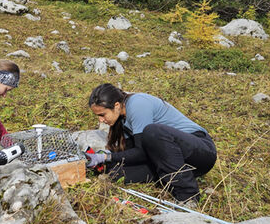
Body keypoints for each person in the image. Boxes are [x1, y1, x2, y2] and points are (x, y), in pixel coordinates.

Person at [85, 83, 217, 204]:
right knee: (115, 173)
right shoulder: (122, 119)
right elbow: (133, 151)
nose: (101, 120)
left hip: (201, 152)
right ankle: (171, 178)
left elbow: (141, 151)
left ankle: (188, 197)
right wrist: (105, 158)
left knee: (152, 131)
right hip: (172, 159)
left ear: (116, 106)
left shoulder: (137, 104)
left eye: (102, 114)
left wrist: (108, 157)